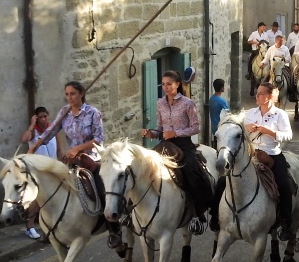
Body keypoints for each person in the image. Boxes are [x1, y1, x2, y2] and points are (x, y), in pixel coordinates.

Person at [29, 81, 124, 248]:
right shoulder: (64, 112)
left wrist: (78, 148)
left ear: (81, 93)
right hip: (71, 161)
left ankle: (114, 229)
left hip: (91, 159)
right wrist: (34, 146)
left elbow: (98, 139)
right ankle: (49, 227)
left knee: (102, 189)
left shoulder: (93, 113)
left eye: (72, 93)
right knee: (52, 188)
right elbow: (49, 132)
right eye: (67, 94)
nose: (69, 97)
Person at [141, 70, 211, 234]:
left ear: (177, 84)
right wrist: (151, 133)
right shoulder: (159, 103)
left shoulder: (188, 103)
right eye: (163, 84)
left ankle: (198, 213)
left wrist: (176, 133)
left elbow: (195, 128)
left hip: (183, 144)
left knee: (191, 173)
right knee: (144, 169)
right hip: (165, 144)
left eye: (169, 84)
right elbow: (159, 128)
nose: (165, 87)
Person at [245, 82, 294, 240]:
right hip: (251, 154)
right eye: (257, 93)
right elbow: (240, 131)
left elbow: (288, 136)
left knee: (285, 187)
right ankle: (217, 217)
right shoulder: (250, 113)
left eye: (260, 93)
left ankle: (286, 223)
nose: (257, 96)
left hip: (272, 154)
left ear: (270, 97)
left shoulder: (280, 114)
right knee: (225, 180)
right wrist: (247, 128)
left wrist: (271, 132)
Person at [20, 106, 60, 240]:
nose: (43, 119)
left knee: (53, 197)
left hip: (52, 169)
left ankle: (53, 224)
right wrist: (31, 125)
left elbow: (59, 149)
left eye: (45, 116)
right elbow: (24, 139)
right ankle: (30, 227)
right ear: (36, 118)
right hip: (38, 171)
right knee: (36, 200)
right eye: (40, 117)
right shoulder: (34, 133)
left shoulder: (53, 130)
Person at [209, 79, 230, 147]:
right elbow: (228, 114)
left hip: (214, 127)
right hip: (221, 127)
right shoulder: (221, 101)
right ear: (221, 88)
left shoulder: (211, 99)